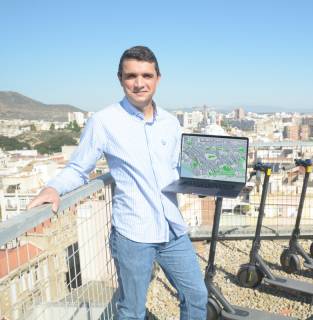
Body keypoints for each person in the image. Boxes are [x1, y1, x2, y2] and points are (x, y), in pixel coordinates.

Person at [27, 46, 208, 320]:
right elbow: (78, 167)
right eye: (131, 76)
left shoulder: (171, 123)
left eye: (146, 75)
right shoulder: (104, 121)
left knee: (196, 296)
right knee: (132, 311)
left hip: (172, 228)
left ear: (158, 78)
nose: (139, 83)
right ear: (120, 79)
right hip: (133, 233)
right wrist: (53, 188)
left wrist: (204, 183)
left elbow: (175, 168)